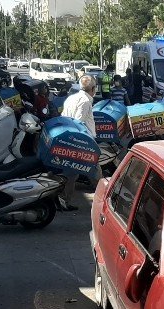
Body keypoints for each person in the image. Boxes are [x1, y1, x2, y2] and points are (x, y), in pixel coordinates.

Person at [58, 75, 98, 212]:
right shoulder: (85, 101)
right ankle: (108, 201)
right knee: (95, 173)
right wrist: (81, 145)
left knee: (72, 174)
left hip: (71, 139)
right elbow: (78, 122)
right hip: (83, 142)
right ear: (93, 89)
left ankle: (63, 199)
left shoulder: (72, 98)